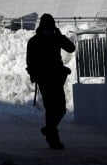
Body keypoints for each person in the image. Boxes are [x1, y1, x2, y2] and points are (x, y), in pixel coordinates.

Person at [26, 13, 76, 150]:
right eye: (47, 28)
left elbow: (71, 48)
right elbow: (30, 61)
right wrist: (34, 74)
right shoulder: (34, 41)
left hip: (56, 78)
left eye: (51, 29)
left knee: (60, 108)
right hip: (43, 79)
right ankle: (53, 140)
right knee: (51, 109)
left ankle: (49, 129)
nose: (49, 31)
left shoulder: (56, 38)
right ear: (42, 28)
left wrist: (60, 36)